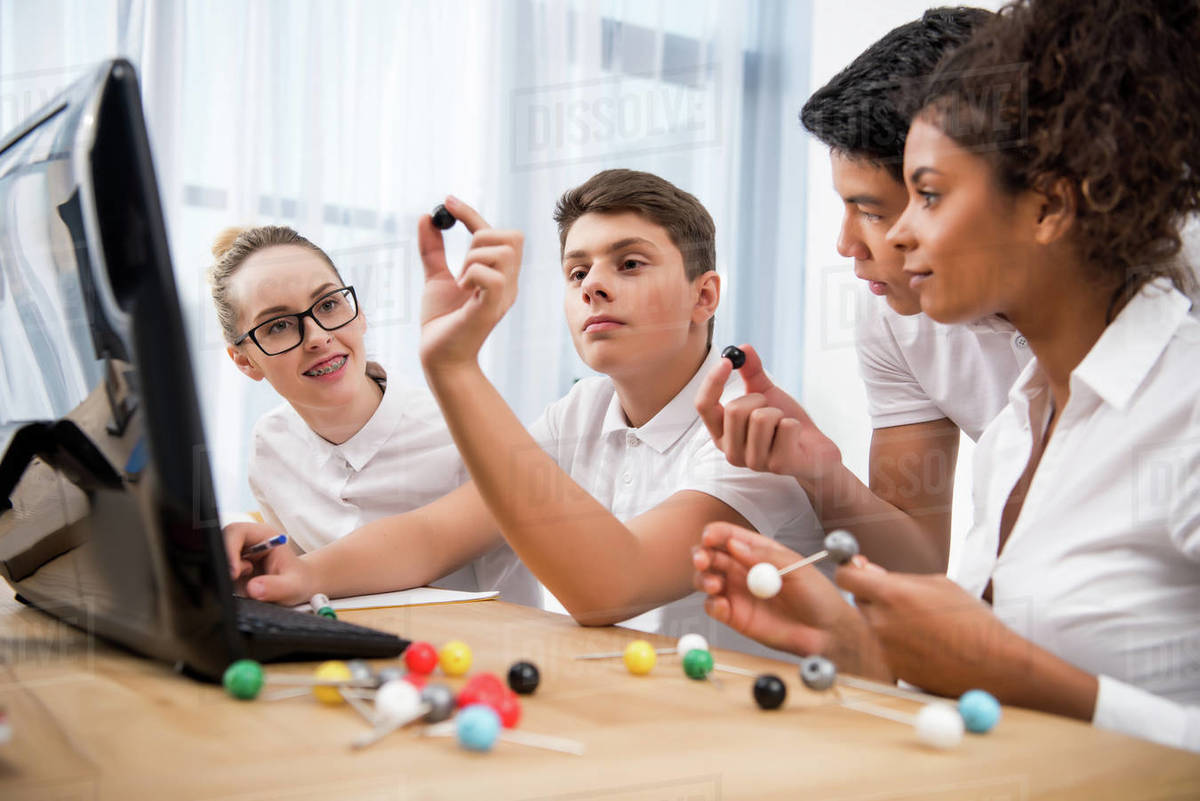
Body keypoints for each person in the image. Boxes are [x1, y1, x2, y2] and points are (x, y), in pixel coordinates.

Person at [693, 0, 1200, 751]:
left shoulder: (1181, 407)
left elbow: (1017, 670)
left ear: (1052, 204)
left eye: (926, 194)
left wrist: (1016, 671)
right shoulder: (1013, 432)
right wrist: (858, 642)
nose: (890, 236)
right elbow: (983, 680)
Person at [229, 172, 822, 653]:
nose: (593, 286)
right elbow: (434, 534)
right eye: (576, 271)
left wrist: (455, 365)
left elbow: (611, 588)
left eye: (630, 263)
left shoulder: (754, 435)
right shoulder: (580, 414)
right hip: (628, 726)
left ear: (705, 295)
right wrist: (300, 577)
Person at [695, 7, 1002, 574]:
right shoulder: (895, 314)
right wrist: (819, 471)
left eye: (872, 211)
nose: (846, 245)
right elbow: (918, 565)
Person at [208, 226, 504, 596]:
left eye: (329, 304)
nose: (317, 337)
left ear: (359, 313)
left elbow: (424, 542)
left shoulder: (463, 433)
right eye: (279, 326)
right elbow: (299, 588)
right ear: (244, 361)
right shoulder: (271, 445)